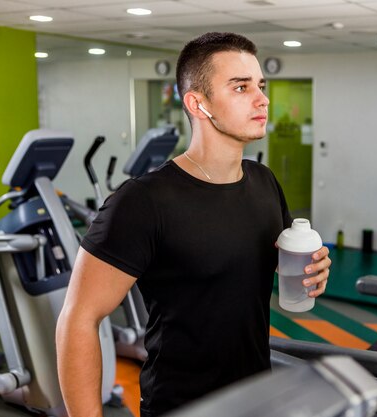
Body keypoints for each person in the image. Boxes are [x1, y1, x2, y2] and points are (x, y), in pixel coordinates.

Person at [56, 32, 331, 417]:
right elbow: (78, 318)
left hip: (258, 399)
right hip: (181, 406)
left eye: (261, 86)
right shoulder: (143, 201)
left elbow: (280, 265)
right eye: (240, 87)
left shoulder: (264, 182)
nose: (262, 98)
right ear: (198, 103)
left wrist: (315, 270)